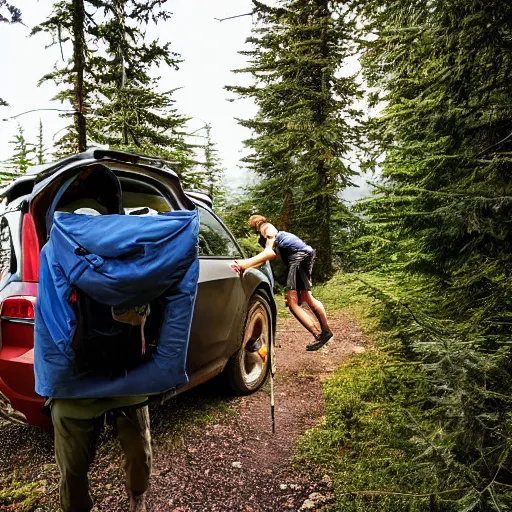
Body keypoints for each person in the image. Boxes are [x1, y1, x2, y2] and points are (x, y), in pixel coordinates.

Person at [231, 215, 333, 351]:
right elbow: (265, 258)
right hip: (305, 255)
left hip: (298, 257)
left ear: (255, 226)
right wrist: (250, 266)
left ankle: (320, 334)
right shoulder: (269, 234)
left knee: (292, 302)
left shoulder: (267, 229)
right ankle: (325, 332)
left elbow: (269, 254)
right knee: (306, 297)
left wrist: (244, 264)